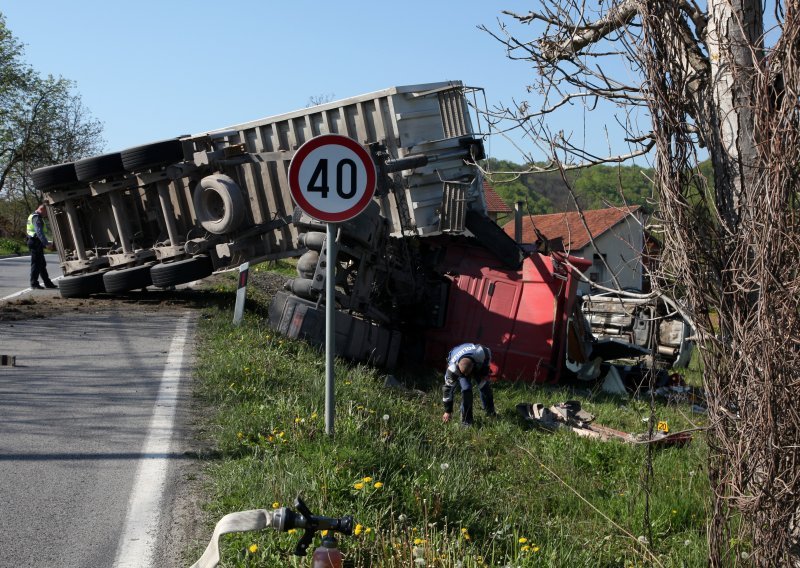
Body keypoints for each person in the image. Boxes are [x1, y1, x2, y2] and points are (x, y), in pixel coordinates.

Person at [442, 343, 496, 426]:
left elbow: (488, 353)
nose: (468, 376)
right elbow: (447, 391)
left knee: (485, 386)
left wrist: (485, 370)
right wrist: (447, 411)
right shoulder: (452, 370)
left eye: (469, 373)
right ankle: (466, 421)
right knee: (466, 390)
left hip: (474, 359)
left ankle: (491, 413)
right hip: (457, 356)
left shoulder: (482, 352)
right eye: (465, 374)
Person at [26, 204, 57, 289]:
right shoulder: (37, 217)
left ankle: (47, 283)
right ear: (42, 210)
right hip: (34, 242)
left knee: (42, 264)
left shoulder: (33, 215)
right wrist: (46, 243)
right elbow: (39, 232)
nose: (47, 214)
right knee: (36, 264)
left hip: (35, 242)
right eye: (46, 212)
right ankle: (34, 283)